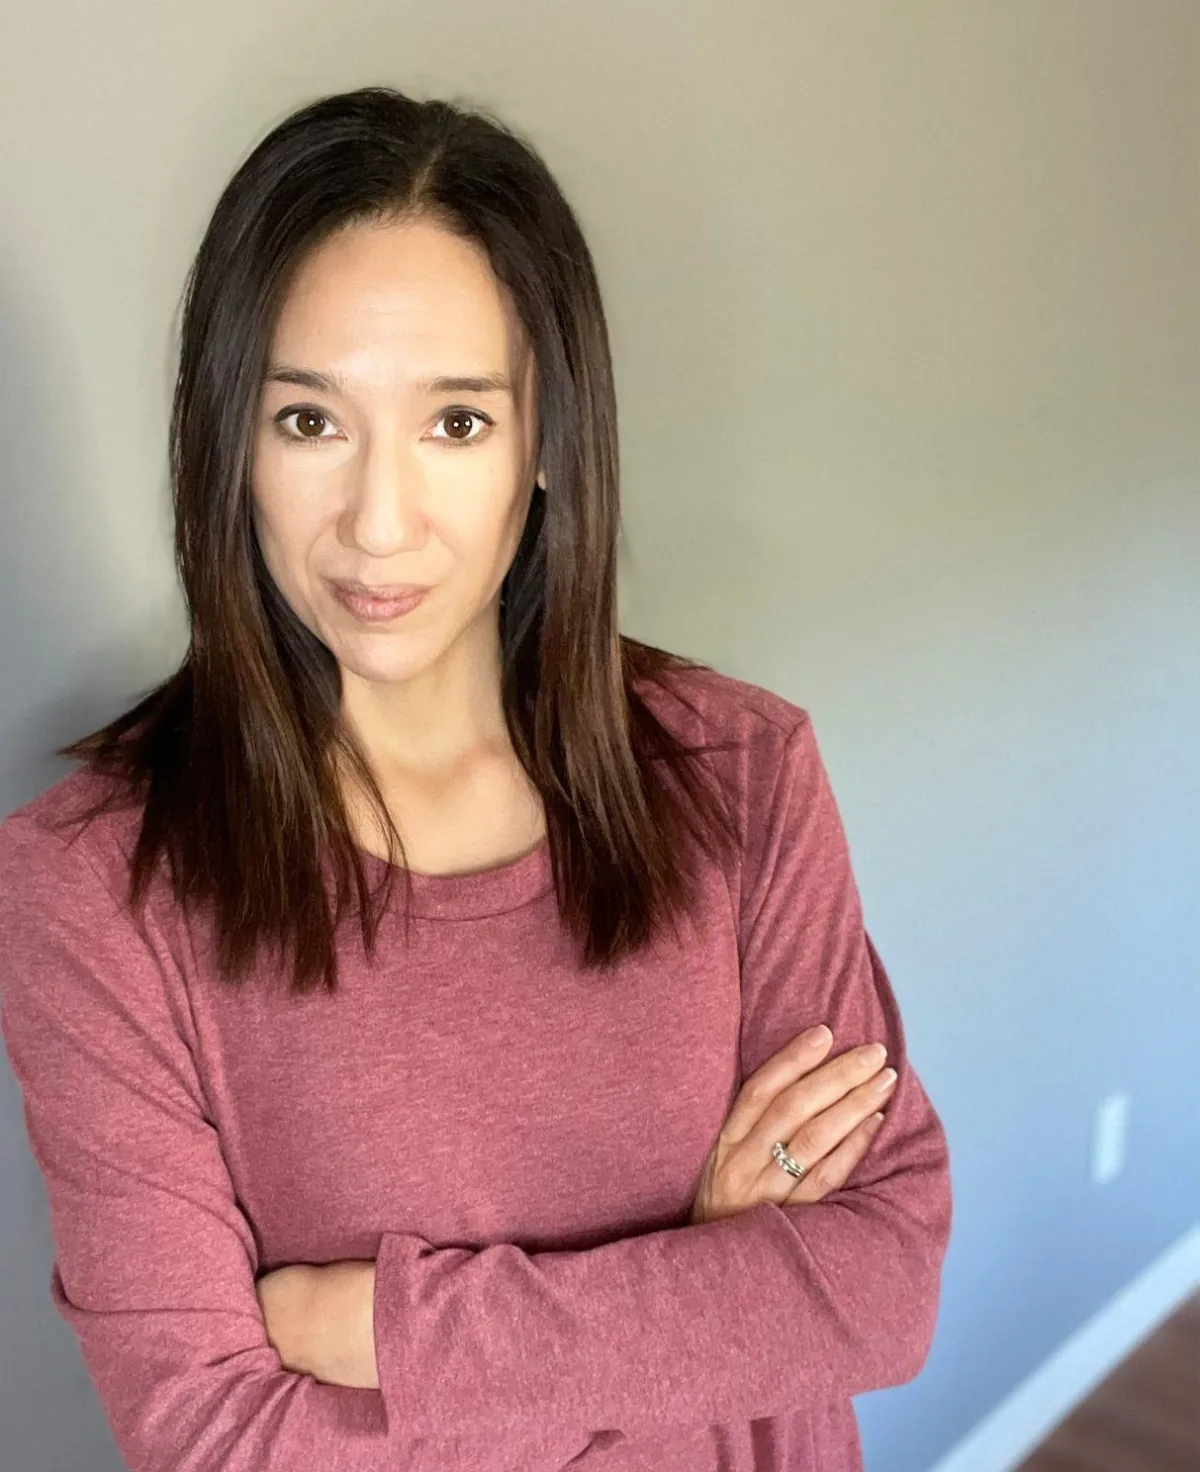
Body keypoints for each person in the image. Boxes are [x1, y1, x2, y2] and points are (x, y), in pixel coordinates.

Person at [0, 85, 952, 1472]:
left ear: (549, 445)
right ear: (229, 447)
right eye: (309, 422)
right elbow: (216, 1442)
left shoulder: (741, 771)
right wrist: (706, 1279)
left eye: (456, 423)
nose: (379, 523)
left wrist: (394, 1331)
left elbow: (880, 1286)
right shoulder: (92, 886)